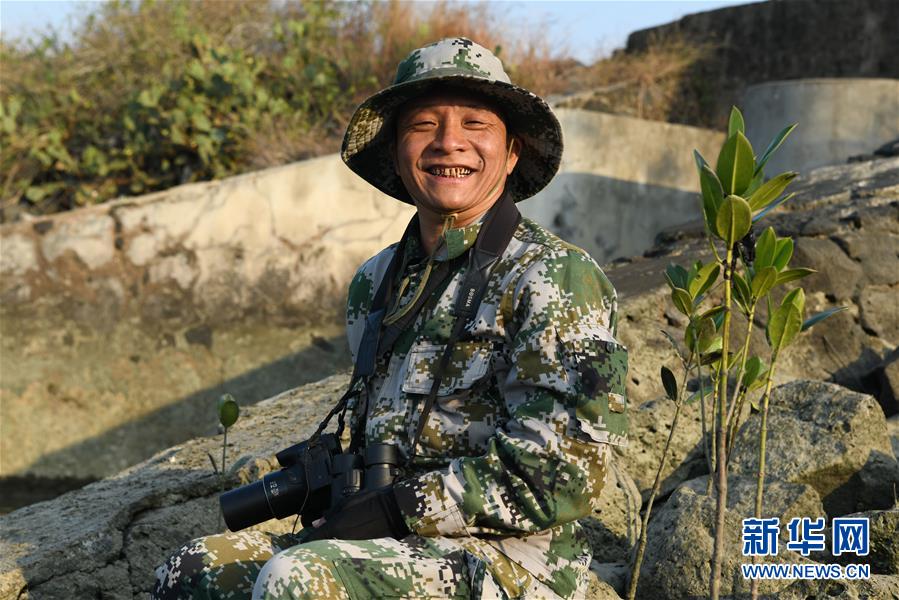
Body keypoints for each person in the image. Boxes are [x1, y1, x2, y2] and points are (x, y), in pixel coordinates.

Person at [152, 37, 628, 600]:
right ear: (398, 153)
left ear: (511, 152)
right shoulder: (376, 281)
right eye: (423, 125)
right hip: (389, 541)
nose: (448, 142)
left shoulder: (554, 274)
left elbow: (565, 474)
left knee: (296, 578)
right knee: (192, 569)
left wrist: (398, 508)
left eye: (475, 124)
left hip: (513, 560)